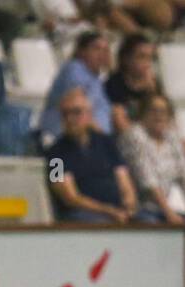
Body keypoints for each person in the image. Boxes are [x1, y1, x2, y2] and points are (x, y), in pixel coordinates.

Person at [47, 86, 153, 223]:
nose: (70, 118)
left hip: (118, 210)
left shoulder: (107, 142)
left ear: (89, 114)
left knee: (151, 220)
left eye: (76, 112)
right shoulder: (54, 154)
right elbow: (69, 197)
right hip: (84, 215)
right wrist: (109, 211)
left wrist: (129, 205)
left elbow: (124, 178)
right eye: (65, 114)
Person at [118, 91, 185, 222]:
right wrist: (169, 213)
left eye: (163, 111)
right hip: (137, 208)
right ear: (143, 114)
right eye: (153, 110)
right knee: (154, 223)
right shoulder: (135, 136)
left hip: (160, 209)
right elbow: (147, 180)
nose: (159, 116)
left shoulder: (172, 138)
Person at [39, 30, 111, 141]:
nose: (102, 54)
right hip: (68, 138)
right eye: (96, 49)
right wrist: (105, 142)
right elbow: (76, 108)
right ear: (81, 51)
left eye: (105, 50)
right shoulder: (74, 69)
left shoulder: (96, 78)